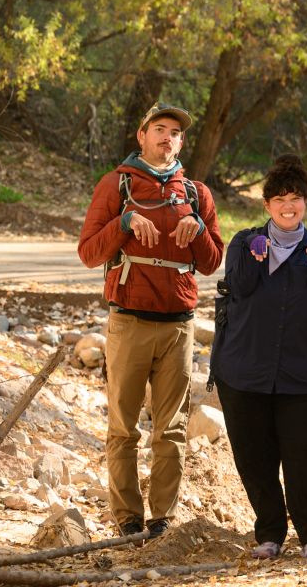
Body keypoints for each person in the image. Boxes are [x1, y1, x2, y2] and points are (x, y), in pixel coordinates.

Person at [77, 102, 224, 540]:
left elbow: (214, 263)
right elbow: (89, 254)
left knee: (172, 429)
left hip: (180, 324)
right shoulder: (116, 184)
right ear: (141, 136)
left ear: (181, 142)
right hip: (128, 322)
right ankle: (126, 519)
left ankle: (161, 521)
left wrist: (197, 230)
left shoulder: (197, 194)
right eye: (159, 129)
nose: (167, 137)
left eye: (175, 132)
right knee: (122, 427)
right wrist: (123, 222)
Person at [213, 155, 307, 560]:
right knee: (255, 456)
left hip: (299, 374)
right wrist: (255, 256)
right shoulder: (244, 242)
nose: (289, 206)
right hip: (244, 370)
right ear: (267, 204)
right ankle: (269, 533)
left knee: (301, 454)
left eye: (297, 199)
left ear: (306, 203)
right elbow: (236, 285)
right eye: (281, 199)